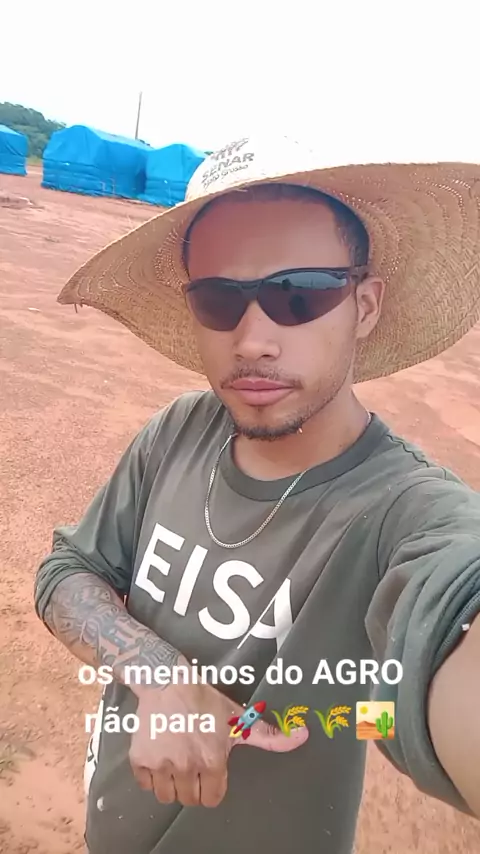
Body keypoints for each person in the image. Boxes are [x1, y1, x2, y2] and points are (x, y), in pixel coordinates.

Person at [34, 135, 480, 854]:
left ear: (365, 305)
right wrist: (160, 675)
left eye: (297, 293)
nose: (252, 340)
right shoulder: (179, 431)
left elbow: (455, 606)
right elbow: (68, 572)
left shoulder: (404, 512)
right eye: (219, 299)